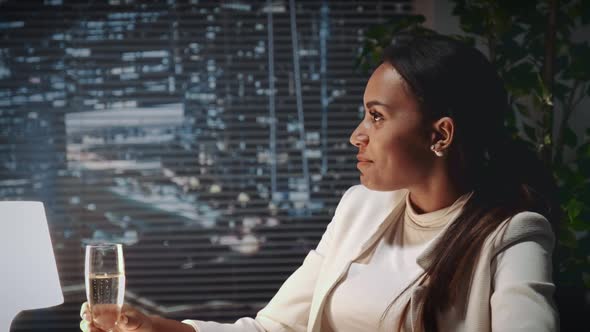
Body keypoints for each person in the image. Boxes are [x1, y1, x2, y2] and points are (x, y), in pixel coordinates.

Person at [80, 33, 559, 332]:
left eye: (376, 116)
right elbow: (273, 328)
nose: (357, 135)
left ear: (441, 134)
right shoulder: (359, 207)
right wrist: (160, 329)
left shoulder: (511, 234)